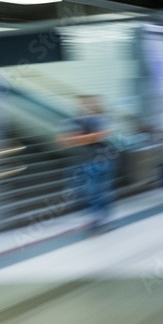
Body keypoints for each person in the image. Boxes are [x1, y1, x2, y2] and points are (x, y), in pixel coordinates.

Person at [58, 95, 114, 234]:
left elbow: (100, 135)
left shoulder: (100, 119)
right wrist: (82, 138)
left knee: (96, 192)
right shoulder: (75, 120)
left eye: (89, 103)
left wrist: (76, 138)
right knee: (83, 190)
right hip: (81, 162)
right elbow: (63, 140)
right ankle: (97, 217)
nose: (85, 106)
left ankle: (99, 221)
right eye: (83, 103)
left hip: (100, 161)